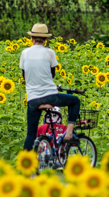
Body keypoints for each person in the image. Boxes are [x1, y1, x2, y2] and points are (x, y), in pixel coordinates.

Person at [20, 23, 81, 152]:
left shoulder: (24, 53)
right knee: (75, 101)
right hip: (50, 96)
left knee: (31, 134)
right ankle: (69, 133)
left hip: (32, 99)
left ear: (32, 38)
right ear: (46, 39)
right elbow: (52, 74)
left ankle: (24, 166)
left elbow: (25, 75)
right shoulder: (50, 52)